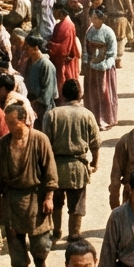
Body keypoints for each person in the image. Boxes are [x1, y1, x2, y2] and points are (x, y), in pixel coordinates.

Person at [0, 100, 59, 267]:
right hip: (12, 199)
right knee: (15, 245)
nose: (9, 127)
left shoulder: (40, 140)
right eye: (7, 123)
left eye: (12, 123)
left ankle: (40, 261)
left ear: (23, 121)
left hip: (35, 197)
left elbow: (50, 171)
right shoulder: (4, 144)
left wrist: (49, 196)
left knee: (40, 243)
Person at [44, 79, 100, 242]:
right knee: (77, 204)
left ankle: (56, 231)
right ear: (80, 95)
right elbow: (95, 143)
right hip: (78, 167)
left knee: (56, 200)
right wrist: (95, 163)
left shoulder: (52, 114)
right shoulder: (87, 114)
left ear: (62, 95)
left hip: (55, 166)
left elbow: (45, 143)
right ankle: (74, 234)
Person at [83, 8, 120, 129]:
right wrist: (86, 61)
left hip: (105, 70)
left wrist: (103, 65)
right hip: (91, 68)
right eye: (92, 17)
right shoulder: (90, 31)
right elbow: (86, 47)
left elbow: (112, 53)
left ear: (101, 19)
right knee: (92, 94)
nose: (92, 20)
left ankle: (106, 119)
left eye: (95, 18)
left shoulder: (108, 32)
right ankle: (92, 119)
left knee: (104, 93)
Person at [24, 34, 58, 124]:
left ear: (35, 48)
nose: (25, 50)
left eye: (27, 48)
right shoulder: (30, 62)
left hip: (43, 108)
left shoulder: (46, 65)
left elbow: (48, 92)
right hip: (31, 104)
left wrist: (35, 103)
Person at [47, 3, 82, 85]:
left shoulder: (66, 25)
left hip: (63, 61)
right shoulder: (62, 24)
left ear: (59, 11)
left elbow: (63, 49)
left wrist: (49, 45)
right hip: (61, 59)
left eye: (54, 11)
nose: (53, 14)